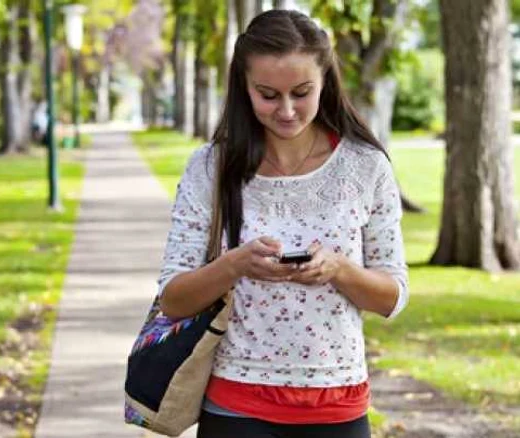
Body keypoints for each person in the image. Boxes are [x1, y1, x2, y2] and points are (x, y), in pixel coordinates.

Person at [156, 9, 409, 438]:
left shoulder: (366, 167)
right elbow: (173, 300)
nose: (287, 110)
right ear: (244, 87)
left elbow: (392, 297)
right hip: (236, 406)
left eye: (302, 92)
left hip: (338, 405)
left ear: (325, 82)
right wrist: (234, 265)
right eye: (268, 94)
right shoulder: (210, 168)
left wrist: (339, 269)